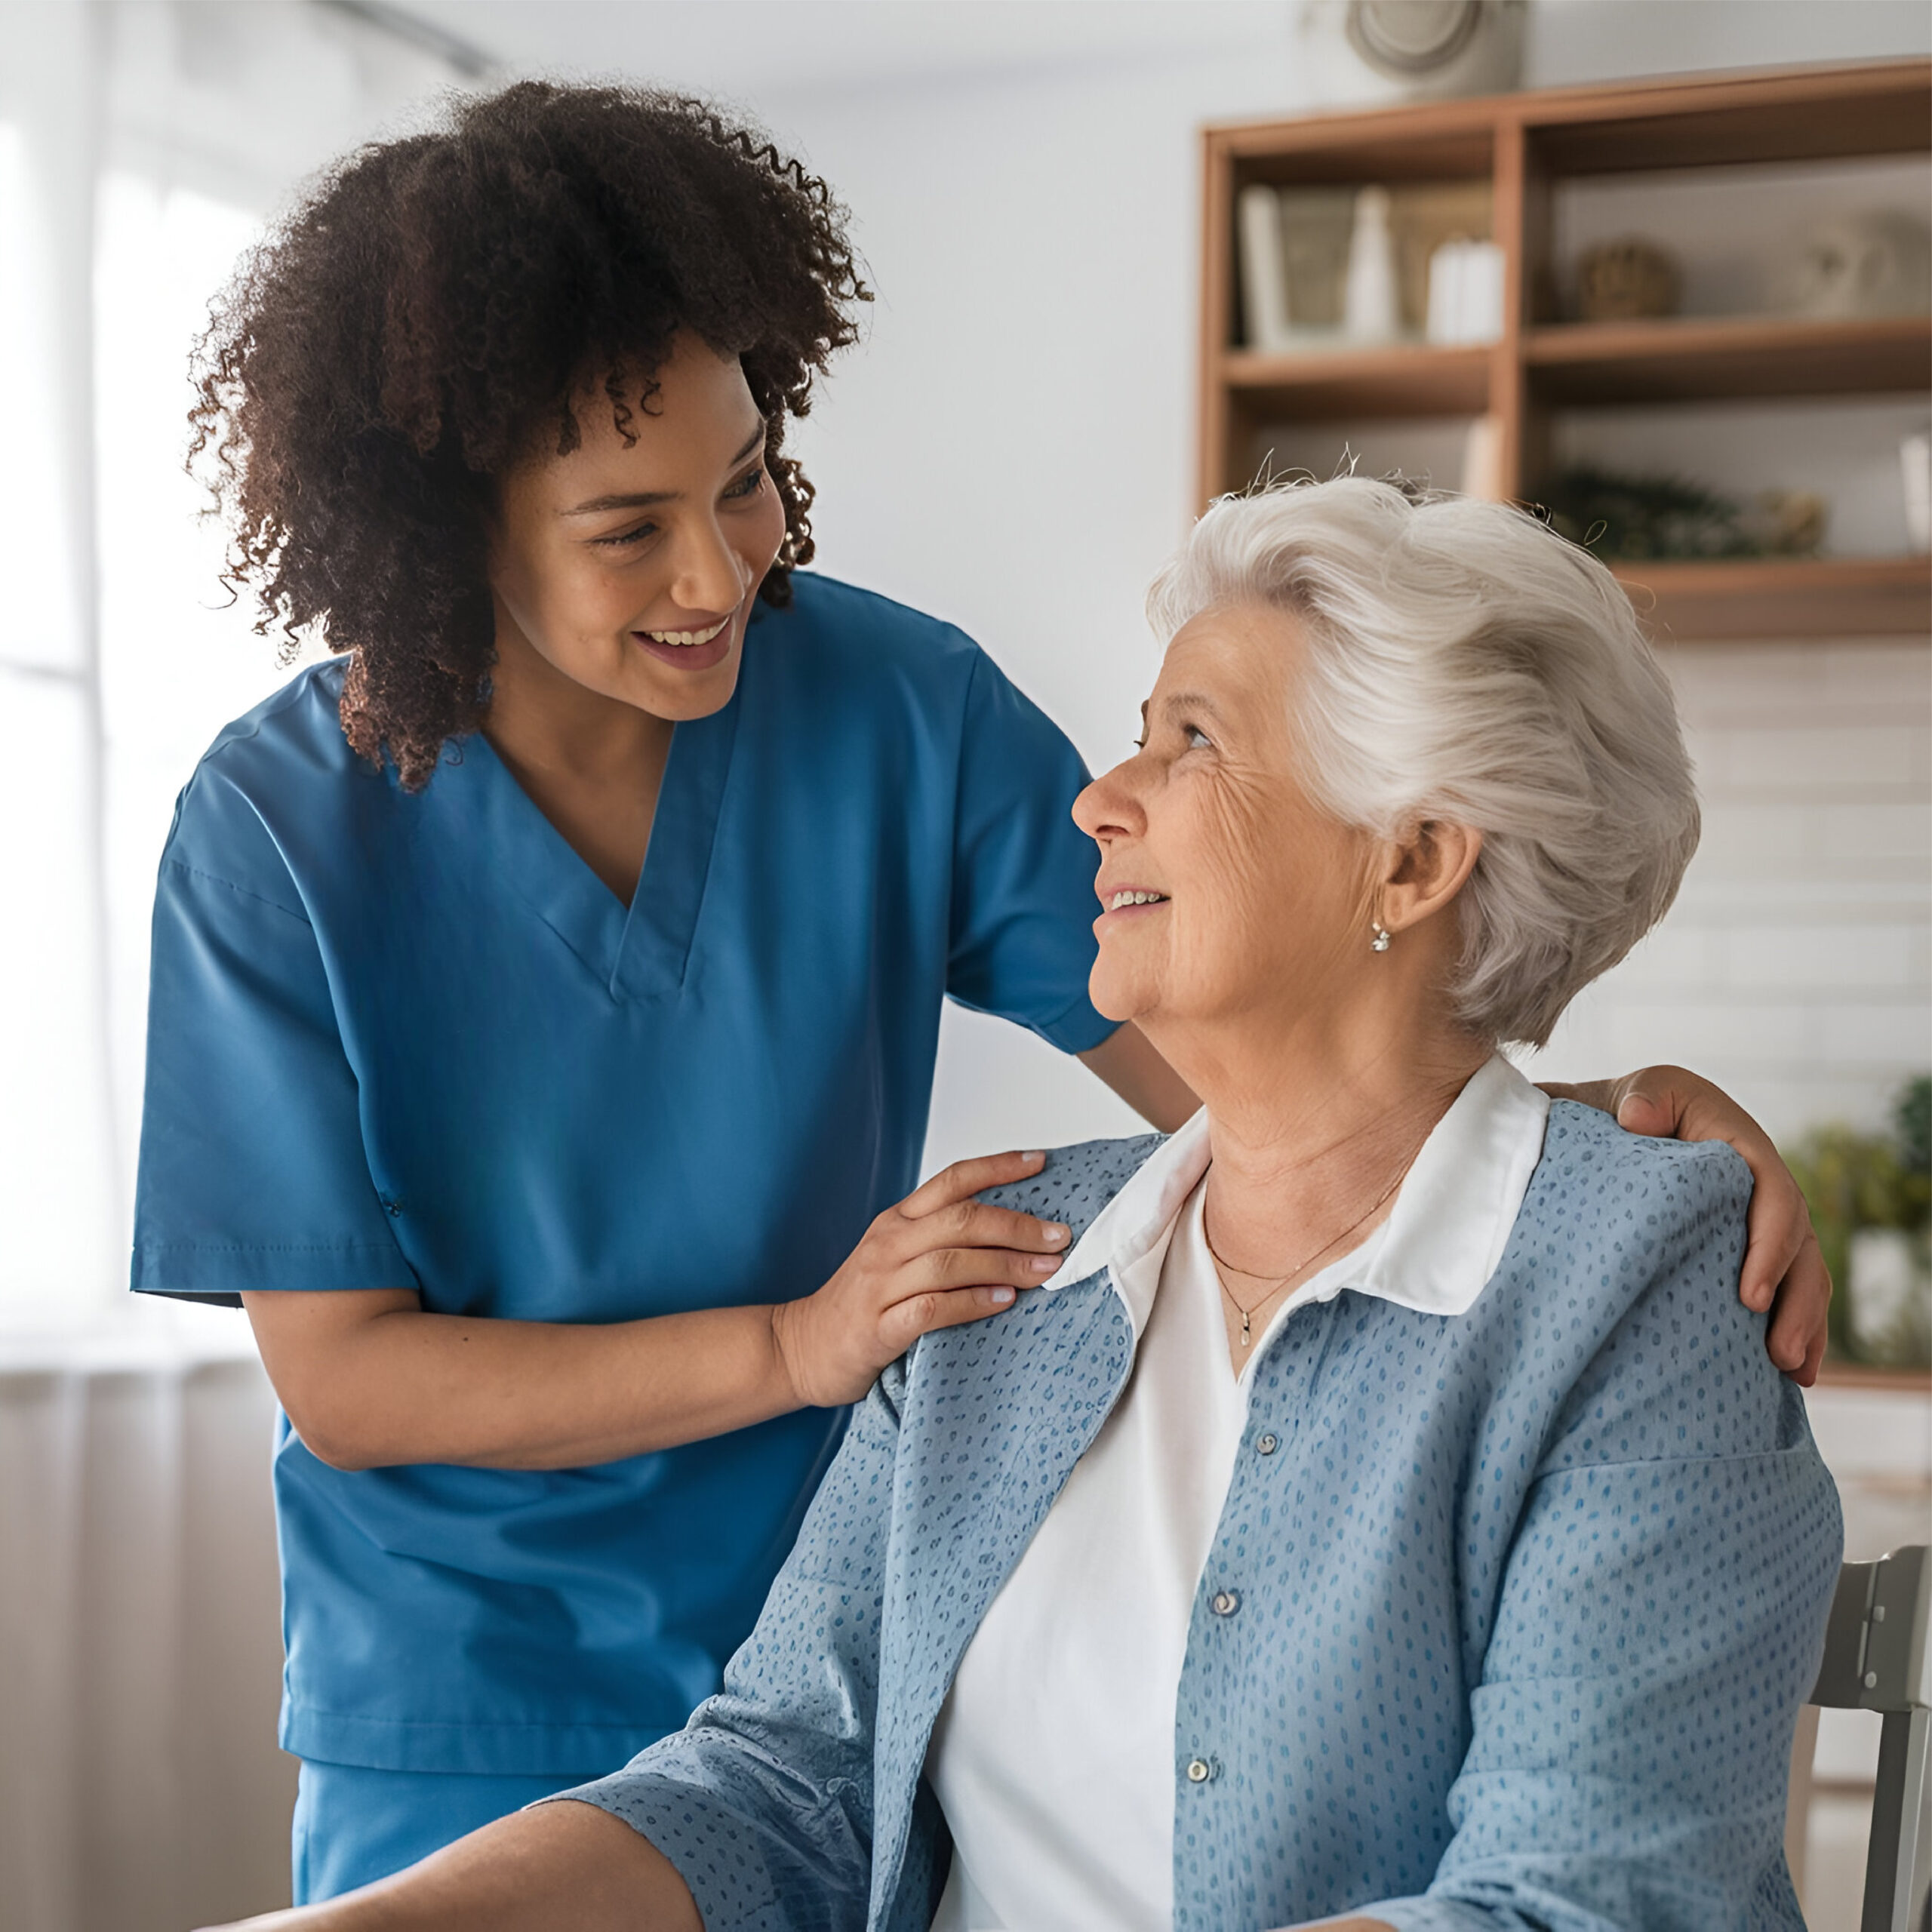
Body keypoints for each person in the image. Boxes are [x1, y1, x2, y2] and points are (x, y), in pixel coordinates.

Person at [141, 83, 1829, 1905]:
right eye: (630, 528)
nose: (726, 569)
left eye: (746, 478)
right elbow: (353, 1380)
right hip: (478, 1687)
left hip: (854, 1641)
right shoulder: (275, 833)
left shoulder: (886, 708)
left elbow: (1278, 1057)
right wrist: (800, 1345)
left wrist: (1572, 1169)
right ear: (449, 533)